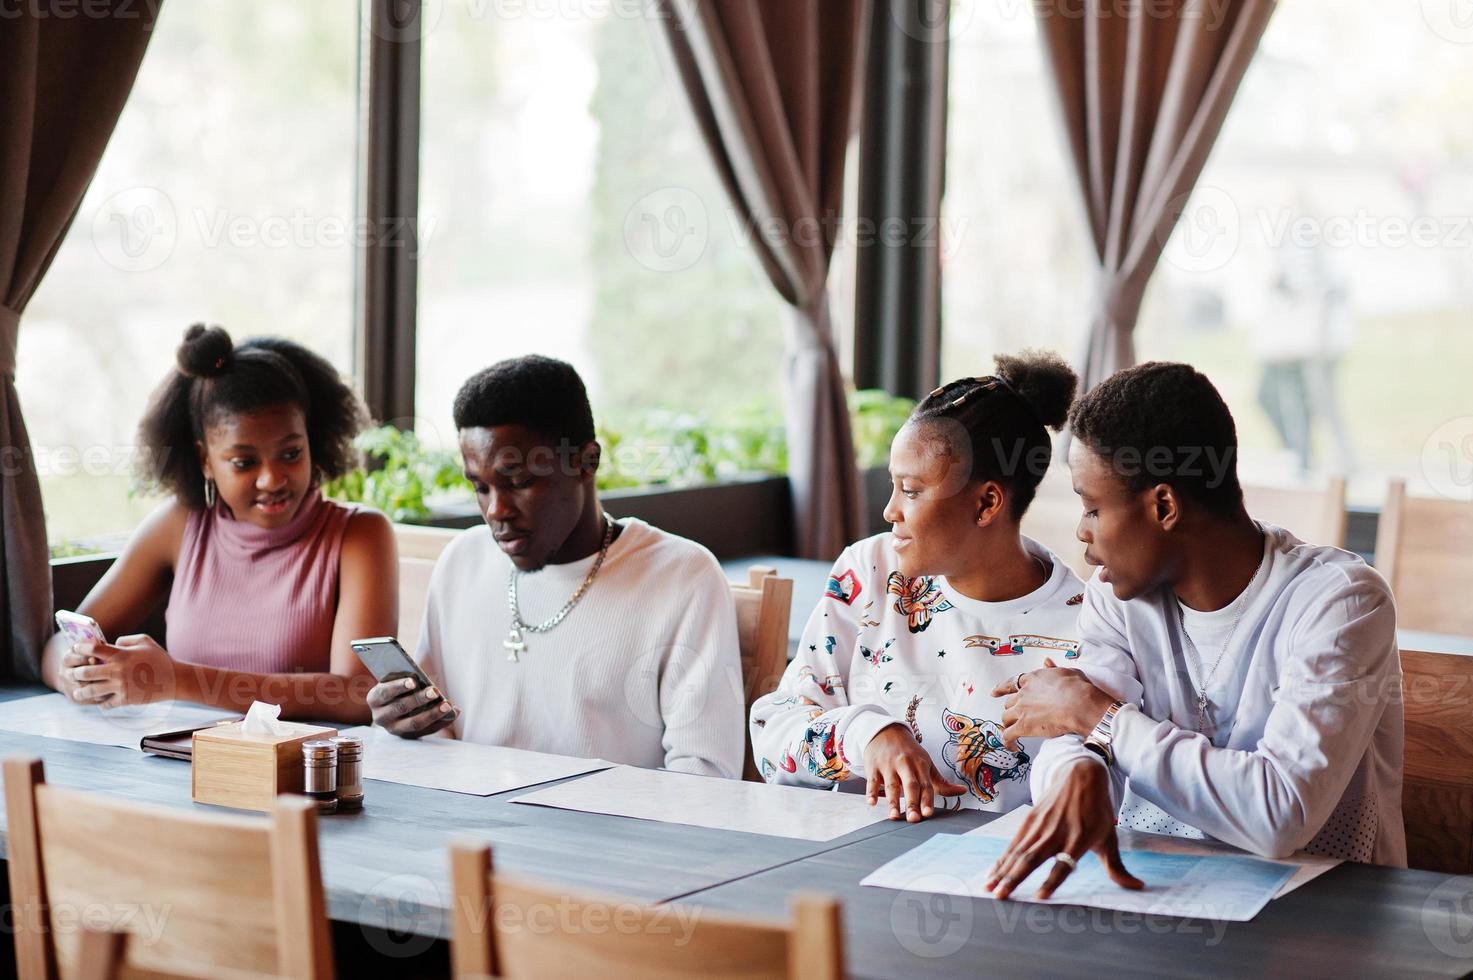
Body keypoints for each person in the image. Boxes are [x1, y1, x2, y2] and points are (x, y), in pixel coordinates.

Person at [985, 361, 1404, 903]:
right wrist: (1079, 769)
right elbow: (1070, 733)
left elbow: (1280, 814)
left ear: (1164, 505)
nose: (1081, 532)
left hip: (1319, 921)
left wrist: (1101, 722)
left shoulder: (1340, 601)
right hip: (1154, 894)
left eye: (1092, 507)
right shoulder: (1117, 596)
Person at [367, 355, 744, 778]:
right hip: (472, 833)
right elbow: (438, 741)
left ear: (586, 462)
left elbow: (707, 778)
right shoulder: (462, 562)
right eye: (480, 487)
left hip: (612, 837)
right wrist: (404, 726)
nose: (496, 511)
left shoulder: (682, 578)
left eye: (520, 482)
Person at [751, 351, 1085, 822]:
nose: (890, 511)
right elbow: (772, 735)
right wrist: (866, 735)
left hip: (996, 877)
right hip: (846, 860)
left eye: (910, 490)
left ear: (987, 502)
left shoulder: (1084, 626)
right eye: (893, 487)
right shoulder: (869, 573)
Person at [42, 324, 398, 722]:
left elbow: (356, 693)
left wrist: (177, 679)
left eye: (291, 453)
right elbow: (60, 644)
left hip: (301, 773)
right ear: (205, 461)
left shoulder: (360, 535)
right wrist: (74, 674)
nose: (272, 479)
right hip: (175, 763)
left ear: (313, 443)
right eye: (244, 462)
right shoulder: (178, 527)